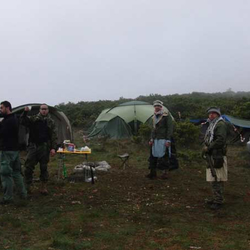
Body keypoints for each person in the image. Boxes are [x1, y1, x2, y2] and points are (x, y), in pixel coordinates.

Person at [20, 104, 57, 195]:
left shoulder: (50, 121)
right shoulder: (33, 118)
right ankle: (27, 187)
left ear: (48, 110)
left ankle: (43, 187)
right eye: (42, 109)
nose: (44, 110)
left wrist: (53, 148)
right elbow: (23, 121)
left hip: (44, 147)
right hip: (33, 146)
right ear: (39, 110)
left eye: (45, 109)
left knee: (44, 167)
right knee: (28, 167)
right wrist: (25, 112)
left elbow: (54, 135)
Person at [0, 101, 27, 204]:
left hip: (7, 151)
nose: (0, 110)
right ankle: (23, 194)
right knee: (17, 173)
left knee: (6, 174)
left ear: (7, 108)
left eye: (2, 108)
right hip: (15, 151)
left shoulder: (8, 121)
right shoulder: (14, 118)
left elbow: (3, 134)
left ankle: (8, 198)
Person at [202, 107, 228, 210]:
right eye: (210, 113)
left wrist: (209, 147)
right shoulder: (212, 124)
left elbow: (220, 140)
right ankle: (216, 198)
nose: (211, 115)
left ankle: (218, 200)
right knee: (213, 177)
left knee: (216, 177)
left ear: (218, 115)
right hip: (213, 154)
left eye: (214, 113)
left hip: (217, 154)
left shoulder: (220, 124)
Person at [147, 100, 178, 179]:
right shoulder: (154, 117)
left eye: (158, 106)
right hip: (155, 139)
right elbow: (153, 129)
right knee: (153, 156)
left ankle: (165, 173)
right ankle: (152, 173)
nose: (157, 107)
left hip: (163, 139)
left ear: (161, 107)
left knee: (164, 156)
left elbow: (170, 128)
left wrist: (168, 140)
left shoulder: (166, 116)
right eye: (155, 106)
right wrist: (151, 139)